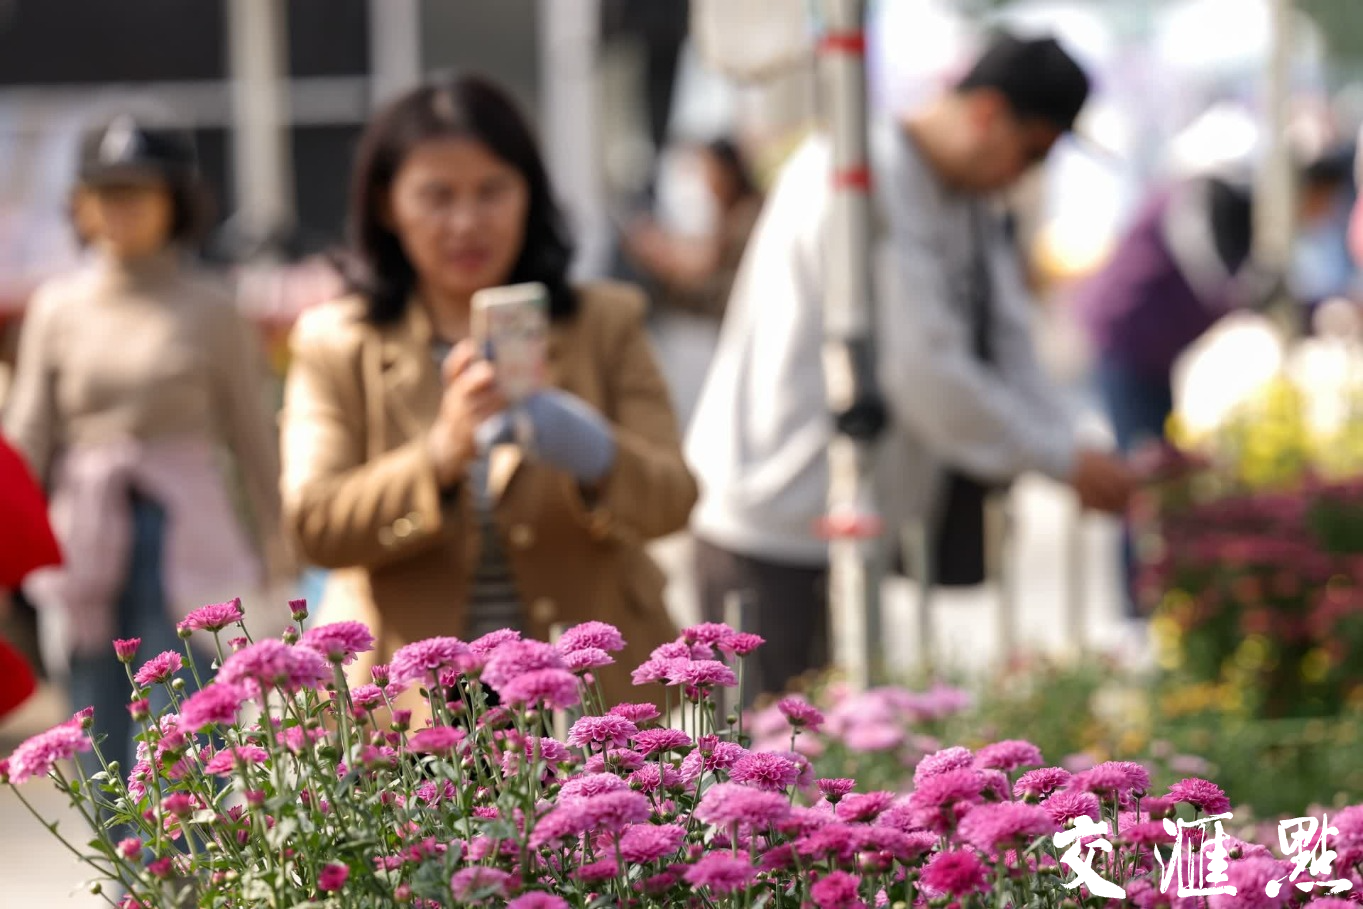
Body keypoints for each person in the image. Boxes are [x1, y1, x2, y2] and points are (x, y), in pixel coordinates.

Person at [686, 33, 1135, 698]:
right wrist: (1061, 457)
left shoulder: (962, 197)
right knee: (762, 774)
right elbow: (923, 373)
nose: (1029, 171)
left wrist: (1075, 443)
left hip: (846, 525)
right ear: (986, 114)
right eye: (1033, 150)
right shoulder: (858, 176)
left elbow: (1009, 343)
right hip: (771, 523)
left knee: (830, 762)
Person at [280, 74, 697, 712]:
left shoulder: (604, 321)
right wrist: (439, 455)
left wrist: (594, 453)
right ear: (388, 206)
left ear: (530, 194)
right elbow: (314, 526)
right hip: (411, 715)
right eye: (437, 196)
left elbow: (673, 500)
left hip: (593, 705)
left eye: (492, 191)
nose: (467, 222)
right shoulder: (338, 340)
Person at [2, 117, 285, 773]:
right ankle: (127, 870)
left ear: (175, 200)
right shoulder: (57, 306)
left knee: (189, 717)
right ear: (81, 203)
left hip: (187, 533)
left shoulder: (213, 307)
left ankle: (193, 874)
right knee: (94, 723)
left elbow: (253, 434)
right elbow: (28, 436)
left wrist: (279, 552)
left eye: (139, 190)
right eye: (106, 190)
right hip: (88, 535)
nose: (120, 207)